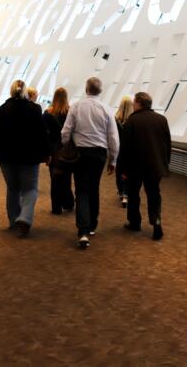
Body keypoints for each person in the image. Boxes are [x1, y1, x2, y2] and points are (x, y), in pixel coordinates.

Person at [0, 80, 50, 237]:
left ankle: (14, 220)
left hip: (6, 157)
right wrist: (47, 154)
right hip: (29, 157)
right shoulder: (35, 109)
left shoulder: (3, 109)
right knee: (30, 188)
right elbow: (42, 134)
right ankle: (25, 218)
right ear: (25, 92)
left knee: (13, 188)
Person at [60, 77, 119, 249]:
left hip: (80, 152)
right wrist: (113, 159)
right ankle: (92, 225)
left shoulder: (76, 106)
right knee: (94, 188)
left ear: (86, 89)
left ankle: (83, 231)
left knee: (82, 190)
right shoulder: (106, 109)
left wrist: (67, 145)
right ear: (100, 91)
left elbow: (65, 132)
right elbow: (113, 137)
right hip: (99, 153)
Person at [119, 92, 171, 241]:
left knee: (133, 194)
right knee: (154, 194)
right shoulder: (162, 120)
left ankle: (135, 222)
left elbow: (125, 148)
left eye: (134, 102)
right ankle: (157, 223)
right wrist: (165, 163)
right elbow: (167, 144)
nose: (133, 105)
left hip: (135, 167)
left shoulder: (132, 121)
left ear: (139, 103)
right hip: (156, 166)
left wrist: (123, 169)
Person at [43, 87, 75, 214]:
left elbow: (44, 134)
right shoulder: (71, 112)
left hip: (53, 150)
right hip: (67, 149)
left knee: (55, 177)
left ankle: (56, 207)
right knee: (67, 177)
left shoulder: (47, 113)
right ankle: (68, 202)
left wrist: (46, 153)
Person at [114, 96, 133, 208]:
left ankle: (121, 192)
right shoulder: (133, 120)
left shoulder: (116, 120)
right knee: (129, 171)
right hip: (130, 151)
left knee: (119, 171)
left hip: (118, 150)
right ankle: (126, 193)